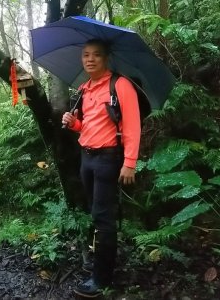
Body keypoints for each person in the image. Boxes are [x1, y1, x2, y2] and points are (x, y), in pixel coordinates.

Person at [62, 38, 140, 298]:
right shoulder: (85, 89)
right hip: (87, 158)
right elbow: (88, 126)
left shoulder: (121, 85)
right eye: (86, 55)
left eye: (96, 55)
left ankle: (101, 279)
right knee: (96, 213)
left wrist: (130, 163)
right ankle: (99, 265)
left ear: (106, 58)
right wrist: (73, 124)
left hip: (108, 159)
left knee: (103, 218)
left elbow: (131, 126)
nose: (90, 59)